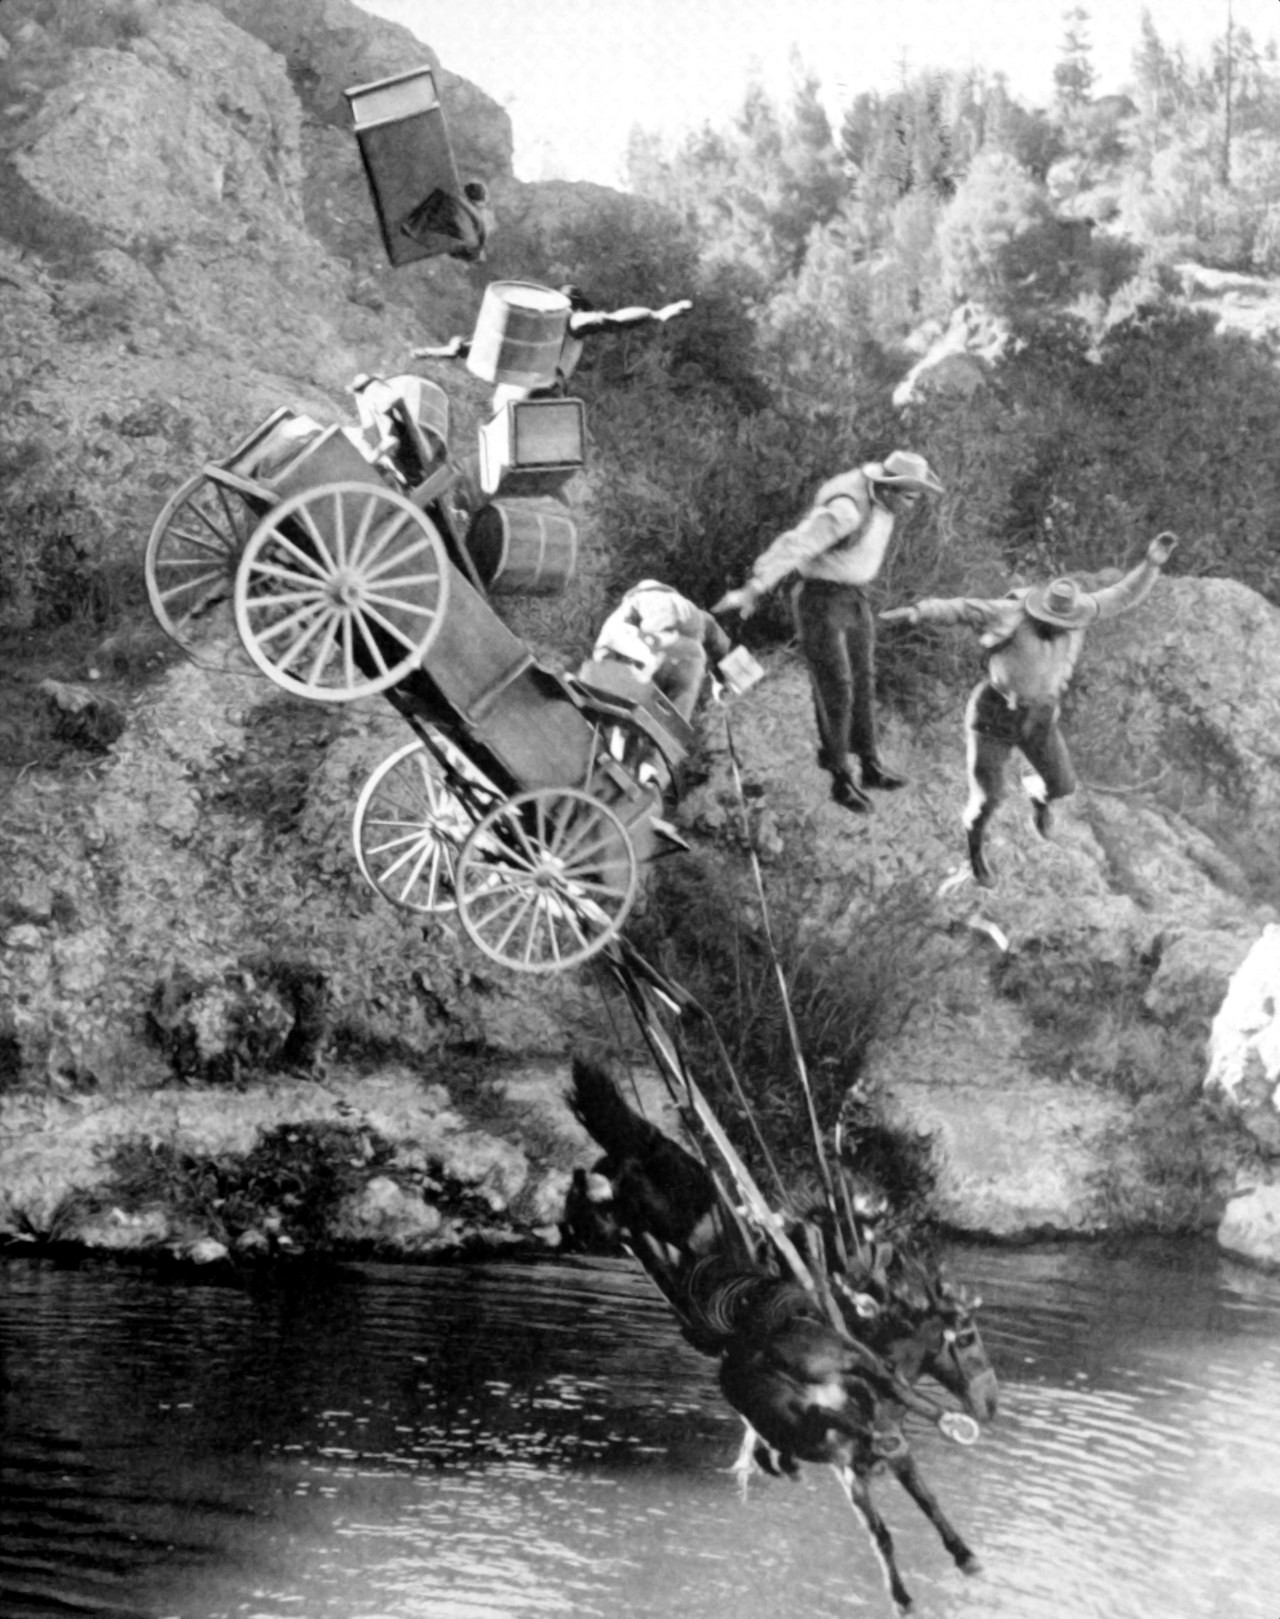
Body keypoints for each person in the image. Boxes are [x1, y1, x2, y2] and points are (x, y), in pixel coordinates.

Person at [878, 531, 1178, 887]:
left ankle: (1038, 796)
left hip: (1039, 717)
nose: (1059, 628)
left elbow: (1123, 594)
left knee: (1063, 785)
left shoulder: (1081, 612)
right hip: (994, 714)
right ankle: (974, 851)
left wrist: (1151, 565)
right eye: (1053, 622)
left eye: (1066, 625)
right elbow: (962, 608)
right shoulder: (1012, 614)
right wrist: (917, 611)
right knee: (989, 798)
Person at [713, 450, 944, 815]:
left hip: (854, 599)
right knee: (836, 686)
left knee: (863, 681)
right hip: (820, 600)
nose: (912, 507)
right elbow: (796, 544)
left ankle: (870, 765)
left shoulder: (885, 504)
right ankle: (840, 776)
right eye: (910, 497)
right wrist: (754, 588)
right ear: (888, 489)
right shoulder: (847, 510)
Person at [413, 289, 692, 406]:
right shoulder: (571, 319)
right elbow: (612, 320)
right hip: (539, 392)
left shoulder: (532, 328)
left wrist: (432, 352)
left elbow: (468, 349)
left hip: (506, 397)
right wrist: (656, 314)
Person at [583, 577, 732, 725]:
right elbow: (721, 644)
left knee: (637, 713)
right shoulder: (692, 608)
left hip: (657, 650)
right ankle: (673, 731)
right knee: (675, 723)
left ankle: (625, 732)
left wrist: (601, 664)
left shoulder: (638, 598)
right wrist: (720, 680)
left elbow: (611, 631)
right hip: (693, 657)